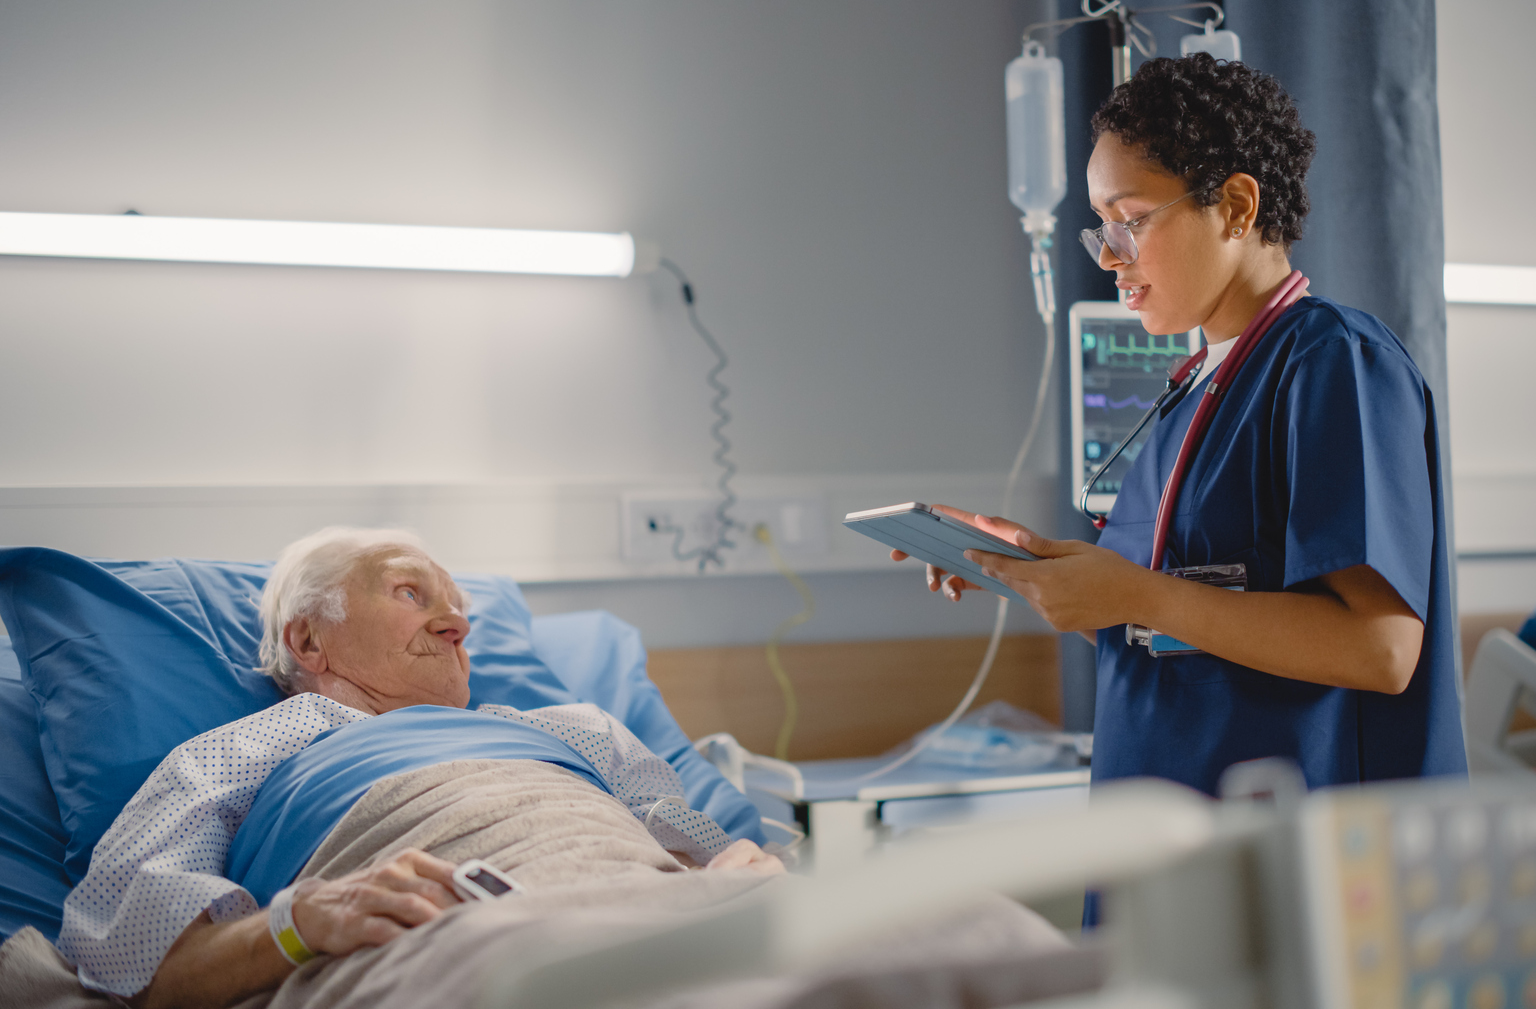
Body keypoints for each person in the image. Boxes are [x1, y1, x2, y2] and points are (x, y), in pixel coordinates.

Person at [897, 55, 1466, 801]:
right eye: (1100, 229)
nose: (1108, 257)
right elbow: (1179, 615)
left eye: (1130, 222)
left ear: (1234, 205)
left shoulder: (1334, 361)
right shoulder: (1195, 389)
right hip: (1165, 822)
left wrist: (1138, 595)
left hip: (1297, 848)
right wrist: (1039, 572)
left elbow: (1381, 648)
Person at [57, 527, 782, 1009]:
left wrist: (746, 876)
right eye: (412, 593)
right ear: (308, 639)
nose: (458, 624)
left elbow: (711, 851)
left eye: (462, 610)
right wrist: (301, 923)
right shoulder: (242, 749)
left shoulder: (576, 729)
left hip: (663, 918)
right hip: (456, 939)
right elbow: (136, 963)